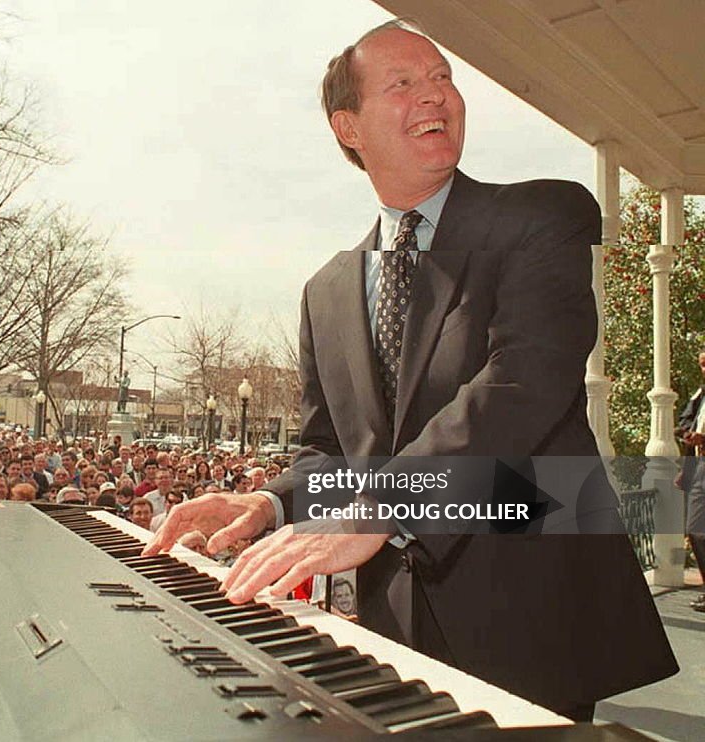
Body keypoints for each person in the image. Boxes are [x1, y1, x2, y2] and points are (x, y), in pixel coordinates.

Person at [147, 20, 676, 720]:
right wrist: (269, 503)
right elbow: (331, 452)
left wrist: (382, 506)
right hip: (395, 636)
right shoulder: (326, 291)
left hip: (534, 623)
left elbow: (523, 384)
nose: (436, 96)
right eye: (403, 83)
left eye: (443, 79)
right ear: (349, 126)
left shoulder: (541, 217)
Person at [677, 349, 705, 611]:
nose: (704, 370)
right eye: (702, 365)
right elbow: (686, 419)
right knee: (696, 530)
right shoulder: (702, 395)